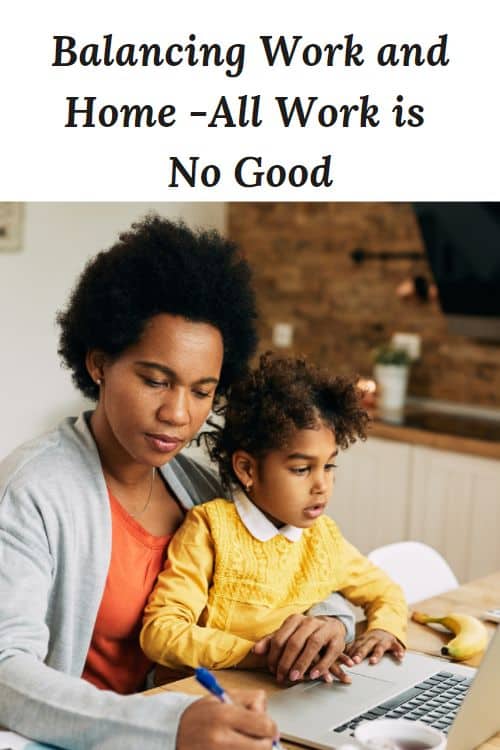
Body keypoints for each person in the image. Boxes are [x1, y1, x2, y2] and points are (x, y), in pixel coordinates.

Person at [0, 216, 355, 750]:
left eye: (202, 390)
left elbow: (302, 567)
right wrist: (169, 725)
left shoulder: (200, 486)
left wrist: (330, 622)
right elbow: (7, 674)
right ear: (99, 363)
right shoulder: (33, 491)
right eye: (155, 380)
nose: (177, 414)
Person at [141, 353, 408, 685]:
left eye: (329, 466)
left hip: (279, 693)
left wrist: (383, 630)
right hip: (202, 697)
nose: (321, 485)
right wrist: (264, 653)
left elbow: (386, 591)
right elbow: (161, 633)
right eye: (301, 469)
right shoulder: (211, 528)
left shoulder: (324, 539)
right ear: (247, 469)